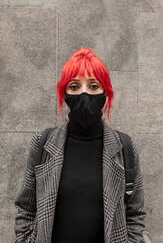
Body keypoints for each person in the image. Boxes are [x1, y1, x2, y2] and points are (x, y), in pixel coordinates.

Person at [13, 47, 146, 243]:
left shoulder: (124, 147)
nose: (84, 94)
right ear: (64, 93)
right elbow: (26, 207)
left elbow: (135, 213)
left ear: (105, 93)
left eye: (93, 86)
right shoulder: (43, 143)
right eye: (74, 87)